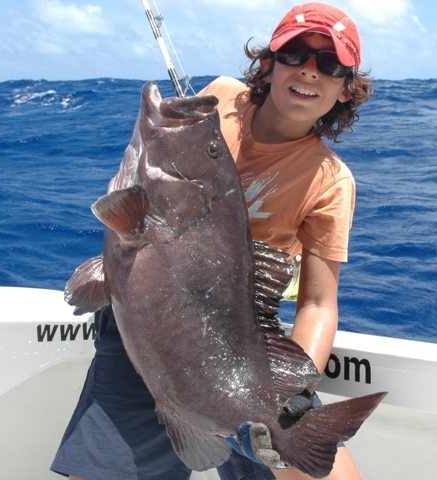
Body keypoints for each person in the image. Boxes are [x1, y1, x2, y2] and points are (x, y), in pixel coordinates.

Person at [51, 2, 373, 480]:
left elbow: (319, 304)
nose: (309, 70)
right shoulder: (220, 97)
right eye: (295, 54)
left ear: (346, 87)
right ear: (268, 62)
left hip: (235, 347)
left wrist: (289, 398)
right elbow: (143, 190)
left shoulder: (330, 181)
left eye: (329, 64)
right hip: (148, 333)